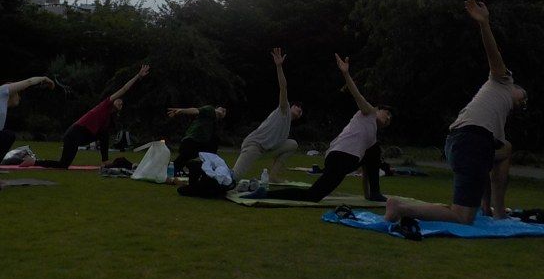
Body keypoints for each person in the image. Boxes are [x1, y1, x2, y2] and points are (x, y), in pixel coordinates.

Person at [385, 0, 527, 225]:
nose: (523, 101)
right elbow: (493, 56)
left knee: (504, 151)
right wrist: (484, 23)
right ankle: (401, 207)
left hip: (463, 143)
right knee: (462, 216)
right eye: (523, 96)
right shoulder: (503, 81)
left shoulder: (496, 117)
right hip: (469, 142)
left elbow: (489, 164)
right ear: (514, 87)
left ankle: (492, 210)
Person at [243, 53, 390, 203]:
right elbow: (357, 95)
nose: (388, 118)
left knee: (374, 151)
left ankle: (375, 193)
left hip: (348, 160)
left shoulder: (372, 137)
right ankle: (265, 194)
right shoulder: (369, 112)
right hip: (340, 158)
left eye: (390, 119)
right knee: (313, 195)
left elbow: (368, 168)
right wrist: (345, 73)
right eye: (387, 113)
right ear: (377, 109)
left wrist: (368, 194)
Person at [36, 64, 149, 168]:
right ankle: (35, 162)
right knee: (63, 165)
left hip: (85, 136)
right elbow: (124, 89)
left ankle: (105, 161)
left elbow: (103, 136)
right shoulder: (105, 105)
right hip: (74, 134)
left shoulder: (110, 117)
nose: (120, 102)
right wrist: (138, 76)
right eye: (118, 100)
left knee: (104, 133)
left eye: (122, 103)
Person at [232, 48, 303, 182]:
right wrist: (279, 66)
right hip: (254, 146)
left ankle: (272, 176)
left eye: (301, 110)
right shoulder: (284, 109)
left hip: (267, 150)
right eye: (297, 106)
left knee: (292, 144)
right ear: (291, 106)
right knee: (233, 178)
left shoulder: (286, 127)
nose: (299, 108)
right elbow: (283, 87)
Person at [167, 104, 227, 178]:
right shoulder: (210, 110)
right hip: (193, 140)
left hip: (200, 142)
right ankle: (169, 170)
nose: (223, 111)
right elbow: (196, 110)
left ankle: (204, 173)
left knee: (209, 153)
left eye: (224, 111)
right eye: (221, 109)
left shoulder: (213, 121)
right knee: (183, 159)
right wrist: (181, 111)